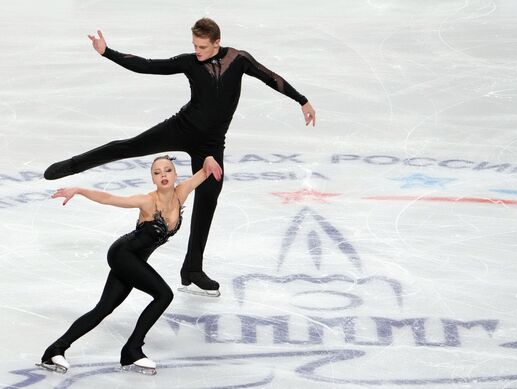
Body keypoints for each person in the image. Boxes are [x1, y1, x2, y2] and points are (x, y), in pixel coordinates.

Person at [43, 18, 316, 296]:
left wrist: (302, 100)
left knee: (209, 197)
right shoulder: (189, 62)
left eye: (202, 46)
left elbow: (272, 78)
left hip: (210, 145)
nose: (197, 51)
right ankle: (72, 166)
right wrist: (107, 52)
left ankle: (192, 269)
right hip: (181, 128)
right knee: (129, 146)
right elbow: (149, 66)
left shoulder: (238, 59)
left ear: (217, 43)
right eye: (194, 45)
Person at [37, 155, 223, 375]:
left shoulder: (181, 193)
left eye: (167, 170)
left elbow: (204, 172)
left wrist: (210, 158)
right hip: (122, 254)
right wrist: (79, 190)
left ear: (175, 174)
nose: (163, 175)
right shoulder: (147, 201)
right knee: (164, 295)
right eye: (157, 172)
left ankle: (54, 350)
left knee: (103, 309)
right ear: (153, 179)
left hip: (134, 260)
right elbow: (109, 199)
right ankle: (132, 350)